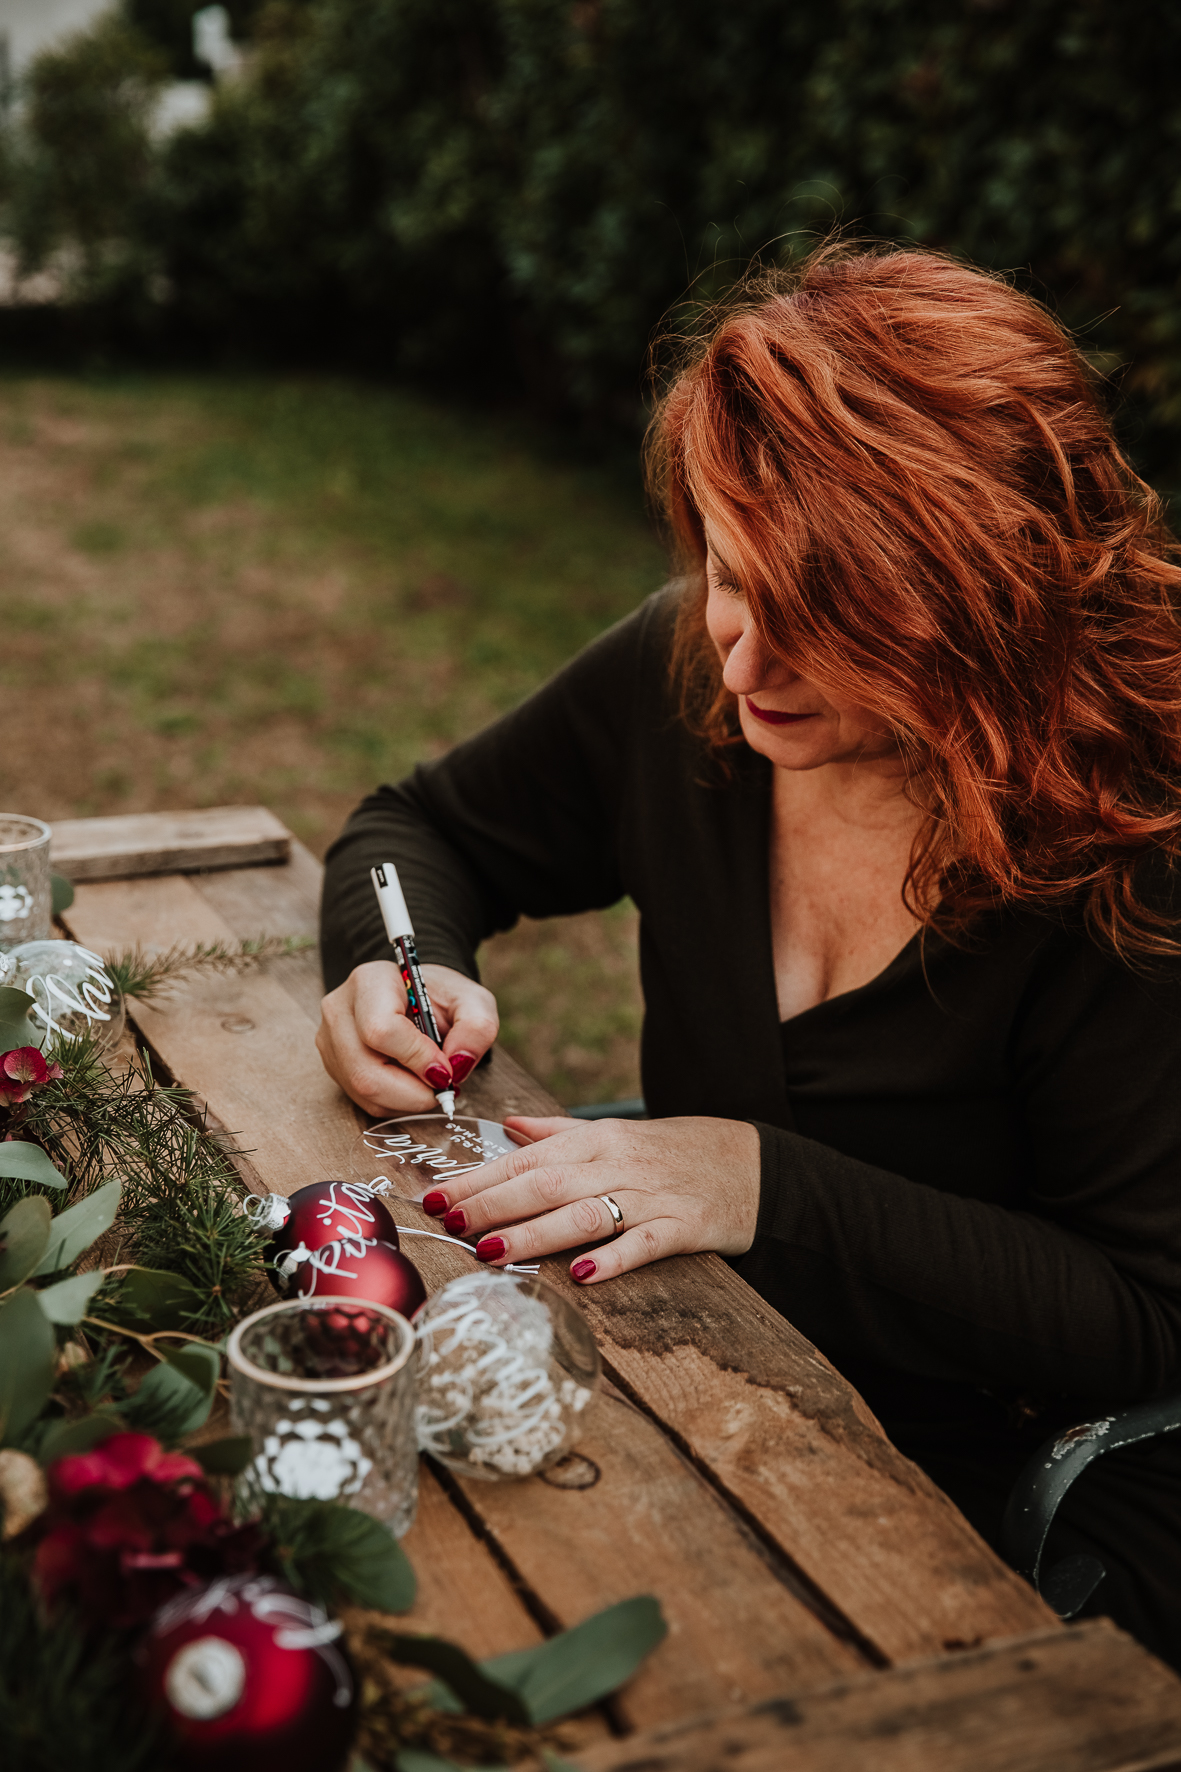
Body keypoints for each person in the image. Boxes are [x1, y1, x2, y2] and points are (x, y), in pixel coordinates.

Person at [317, 243, 1181, 1667]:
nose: (743, 661)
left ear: (980, 601)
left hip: (973, 1516)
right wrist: (388, 963)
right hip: (690, 1370)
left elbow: (1142, 1322)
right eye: (728, 570)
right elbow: (421, 828)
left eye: (828, 620)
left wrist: (756, 1182)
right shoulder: (687, 687)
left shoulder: (1124, 847)